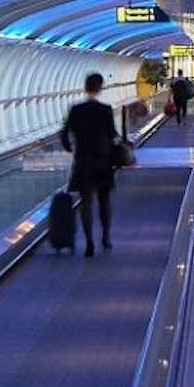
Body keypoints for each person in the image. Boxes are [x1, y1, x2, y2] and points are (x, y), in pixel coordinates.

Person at [61, 71, 125, 256]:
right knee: (104, 200)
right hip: (102, 161)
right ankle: (105, 237)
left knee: (86, 202)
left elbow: (64, 133)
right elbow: (112, 134)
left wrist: (70, 148)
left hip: (83, 161)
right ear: (100, 87)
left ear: (85, 87)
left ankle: (89, 242)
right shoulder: (105, 110)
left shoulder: (76, 110)